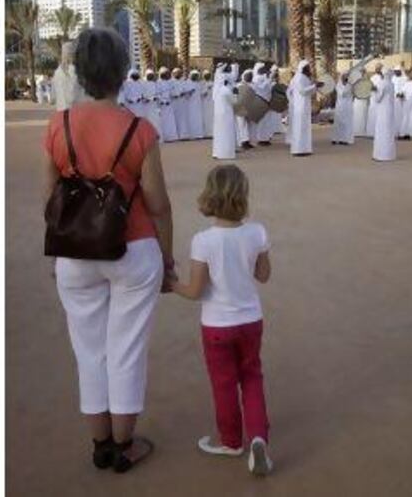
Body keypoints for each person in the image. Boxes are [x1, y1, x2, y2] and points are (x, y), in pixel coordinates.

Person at [42, 27, 175, 474]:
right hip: (132, 251)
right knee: (126, 349)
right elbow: (158, 205)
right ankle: (124, 445)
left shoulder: (57, 125)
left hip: (75, 253)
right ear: (123, 73)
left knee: (89, 350)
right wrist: (168, 261)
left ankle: (100, 443)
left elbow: (51, 199)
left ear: (79, 72)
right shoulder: (140, 130)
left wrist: (59, 256)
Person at [168, 164, 273, 477]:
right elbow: (264, 276)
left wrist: (171, 283)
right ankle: (258, 438)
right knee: (252, 377)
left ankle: (231, 441)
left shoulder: (203, 240)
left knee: (224, 383)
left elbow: (196, 291)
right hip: (251, 320)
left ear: (209, 195)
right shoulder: (257, 232)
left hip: (216, 325)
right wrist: (249, 259)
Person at [287, 59, 318, 156]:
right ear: (303, 68)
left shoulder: (305, 77)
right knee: (299, 128)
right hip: (300, 106)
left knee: (304, 128)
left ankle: (305, 149)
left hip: (304, 106)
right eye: (308, 67)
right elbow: (302, 91)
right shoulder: (299, 77)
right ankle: (298, 150)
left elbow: (309, 91)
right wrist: (314, 86)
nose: (309, 69)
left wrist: (316, 86)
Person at [212, 63, 237, 159]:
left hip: (218, 115)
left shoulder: (217, 90)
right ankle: (226, 153)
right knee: (227, 134)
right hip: (226, 115)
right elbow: (234, 101)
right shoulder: (226, 90)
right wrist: (235, 94)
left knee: (219, 134)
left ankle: (217, 152)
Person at [52, 42, 86, 111]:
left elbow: (53, 94)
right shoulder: (76, 71)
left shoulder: (57, 72)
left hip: (61, 109)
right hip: (75, 110)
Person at [372, 68, 396, 161]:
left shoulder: (382, 83)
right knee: (388, 132)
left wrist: (374, 91)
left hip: (382, 111)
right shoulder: (391, 84)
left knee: (381, 132)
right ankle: (389, 155)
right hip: (389, 110)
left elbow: (378, 98)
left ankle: (381, 155)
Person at [251, 63, 274, 145]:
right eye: (262, 69)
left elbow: (268, 88)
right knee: (261, 122)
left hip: (267, 101)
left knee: (266, 121)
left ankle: (266, 138)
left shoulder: (264, 77)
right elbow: (261, 87)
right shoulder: (256, 78)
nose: (264, 70)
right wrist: (268, 79)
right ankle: (261, 139)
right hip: (261, 101)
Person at [156, 67, 179, 143]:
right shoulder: (157, 83)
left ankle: (171, 137)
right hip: (162, 105)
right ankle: (164, 137)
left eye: (167, 74)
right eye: (164, 74)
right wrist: (162, 101)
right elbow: (156, 94)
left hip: (169, 104)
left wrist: (175, 94)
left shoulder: (169, 83)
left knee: (170, 121)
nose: (166, 75)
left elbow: (172, 93)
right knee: (163, 122)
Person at [332, 72, 354, 145]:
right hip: (340, 106)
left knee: (347, 122)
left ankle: (345, 139)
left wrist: (350, 86)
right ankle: (336, 138)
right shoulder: (338, 85)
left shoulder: (350, 85)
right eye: (344, 76)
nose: (345, 78)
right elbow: (342, 94)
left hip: (348, 106)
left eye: (346, 76)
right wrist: (348, 87)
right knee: (338, 122)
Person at [183, 70, 205, 140]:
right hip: (190, 105)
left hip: (198, 104)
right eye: (194, 76)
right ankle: (192, 135)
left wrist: (204, 93)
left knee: (198, 119)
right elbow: (184, 94)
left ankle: (199, 134)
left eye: (196, 76)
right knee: (191, 119)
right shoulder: (187, 83)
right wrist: (190, 92)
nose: (195, 77)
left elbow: (201, 93)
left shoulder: (198, 84)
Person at [236, 70, 254, 150]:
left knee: (247, 126)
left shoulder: (251, 86)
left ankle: (246, 141)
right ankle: (242, 141)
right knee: (241, 125)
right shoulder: (238, 85)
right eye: (248, 76)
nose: (250, 77)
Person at [141, 69, 161, 134]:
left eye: (152, 75)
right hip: (146, 107)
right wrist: (147, 99)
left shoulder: (155, 84)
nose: (151, 77)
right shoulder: (143, 84)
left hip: (154, 106)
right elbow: (141, 95)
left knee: (156, 121)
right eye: (149, 75)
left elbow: (159, 94)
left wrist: (157, 98)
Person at [366, 63, 383, 137]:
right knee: (372, 115)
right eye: (377, 68)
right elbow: (369, 87)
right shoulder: (372, 78)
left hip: (381, 100)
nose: (378, 70)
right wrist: (372, 89)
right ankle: (371, 133)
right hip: (373, 99)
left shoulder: (383, 78)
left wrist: (378, 89)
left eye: (379, 68)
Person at [351, 67, 369, 137]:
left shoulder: (367, 79)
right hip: (357, 99)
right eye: (361, 72)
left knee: (363, 114)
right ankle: (356, 131)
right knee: (357, 114)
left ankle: (362, 130)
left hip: (363, 99)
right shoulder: (356, 80)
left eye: (363, 72)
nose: (362, 73)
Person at [202, 70, 214, 139]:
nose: (207, 76)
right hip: (204, 104)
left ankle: (211, 133)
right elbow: (201, 94)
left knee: (211, 118)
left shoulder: (213, 83)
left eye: (208, 75)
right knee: (205, 118)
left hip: (211, 103)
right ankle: (206, 134)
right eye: (206, 75)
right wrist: (206, 89)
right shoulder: (202, 84)